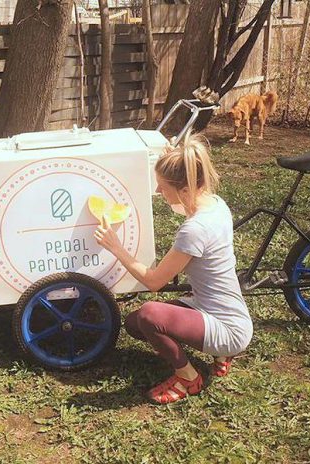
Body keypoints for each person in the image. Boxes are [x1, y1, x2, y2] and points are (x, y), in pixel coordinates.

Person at [94, 132, 253, 404]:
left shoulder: (194, 230)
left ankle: (189, 378)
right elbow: (187, 192)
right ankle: (219, 354)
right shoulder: (215, 205)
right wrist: (173, 158)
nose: (158, 192)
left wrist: (117, 247)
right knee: (135, 324)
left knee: (148, 315)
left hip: (229, 328)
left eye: (162, 186)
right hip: (218, 310)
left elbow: (154, 282)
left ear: (185, 190)